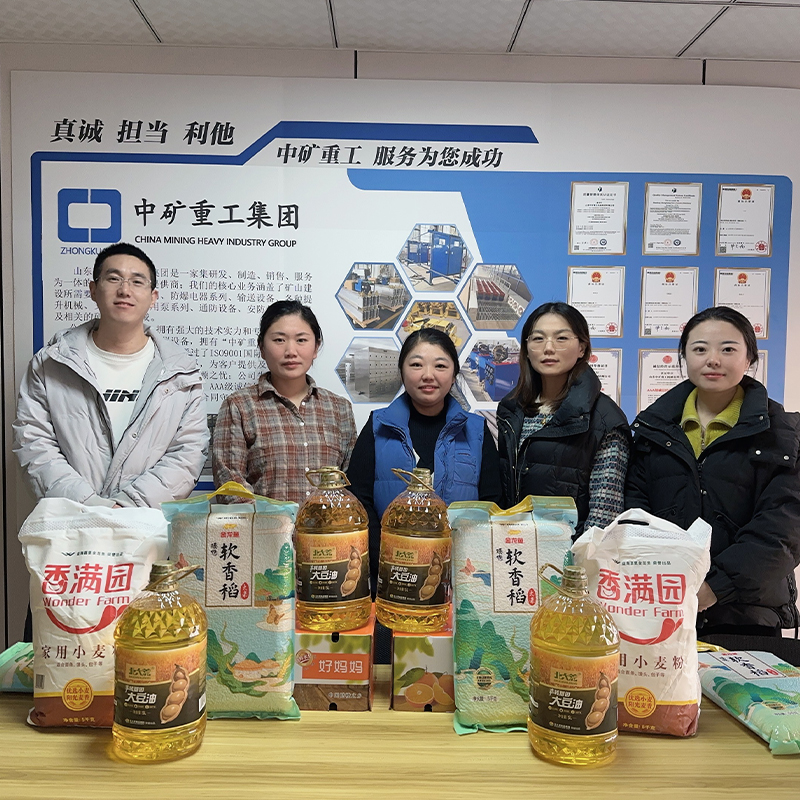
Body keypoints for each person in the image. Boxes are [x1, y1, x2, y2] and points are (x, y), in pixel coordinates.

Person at [626, 306, 800, 637]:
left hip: (747, 615)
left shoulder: (783, 434)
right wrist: (663, 582)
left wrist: (715, 586)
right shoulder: (653, 429)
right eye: (700, 349)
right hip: (663, 608)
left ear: (749, 359)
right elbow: (636, 512)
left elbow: (784, 528)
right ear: (685, 357)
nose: (713, 360)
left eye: (728, 349)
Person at [14, 242, 209, 509]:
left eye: (137, 281)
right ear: (93, 290)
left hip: (145, 524)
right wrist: (90, 506)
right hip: (71, 520)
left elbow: (187, 452)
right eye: (114, 278)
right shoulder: (50, 364)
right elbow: (34, 443)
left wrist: (128, 506)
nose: (125, 290)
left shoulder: (181, 373)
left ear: (153, 296)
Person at [347, 326, 503, 594]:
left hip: (460, 580)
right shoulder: (377, 425)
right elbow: (359, 502)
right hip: (388, 577)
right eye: (416, 364)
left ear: (453, 374)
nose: (428, 375)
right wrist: (388, 561)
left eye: (440, 365)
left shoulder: (476, 431)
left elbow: (492, 505)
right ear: (402, 372)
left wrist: (465, 565)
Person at [497, 302, 630, 538]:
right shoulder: (511, 410)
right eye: (538, 339)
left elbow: (604, 516)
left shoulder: (604, 419)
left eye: (561, 338)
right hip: (515, 548)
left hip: (570, 555)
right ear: (526, 348)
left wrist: (575, 558)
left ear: (582, 348)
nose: (548, 348)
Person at [213, 300, 356, 505]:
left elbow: (351, 482)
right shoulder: (239, 406)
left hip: (328, 525)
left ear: (316, 347)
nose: (291, 351)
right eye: (279, 340)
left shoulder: (339, 408)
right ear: (262, 348)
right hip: (262, 525)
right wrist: (271, 521)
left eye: (301, 340)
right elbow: (230, 485)